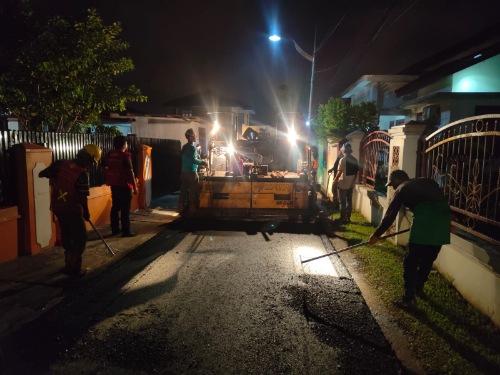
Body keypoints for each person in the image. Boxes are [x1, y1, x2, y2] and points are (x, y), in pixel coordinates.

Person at [368, 170, 451, 308]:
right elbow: (442, 201)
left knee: (411, 261)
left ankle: (409, 298)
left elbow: (390, 215)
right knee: (428, 258)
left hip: (424, 221)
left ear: (396, 181)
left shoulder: (402, 188)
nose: (393, 188)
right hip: (443, 222)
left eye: (393, 185)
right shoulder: (427, 181)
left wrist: (376, 235)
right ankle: (419, 289)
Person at [39, 144, 102, 276]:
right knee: (80, 239)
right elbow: (82, 197)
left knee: (67, 235)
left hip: (59, 207)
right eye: (91, 161)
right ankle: (74, 269)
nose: (90, 164)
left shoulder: (60, 164)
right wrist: (86, 212)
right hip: (73, 209)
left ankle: (68, 263)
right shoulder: (82, 174)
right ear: (88, 158)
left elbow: (42, 174)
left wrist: (57, 177)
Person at [105, 136, 138, 237]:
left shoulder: (110, 155)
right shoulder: (125, 156)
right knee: (125, 209)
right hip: (124, 185)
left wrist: (111, 173)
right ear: (124, 144)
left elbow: (103, 166)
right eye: (126, 143)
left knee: (115, 207)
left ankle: (115, 229)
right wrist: (135, 187)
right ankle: (126, 231)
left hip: (114, 185)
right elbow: (130, 172)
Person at [179, 128, 207, 216]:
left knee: (183, 191)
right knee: (193, 191)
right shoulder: (192, 148)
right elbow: (193, 160)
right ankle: (192, 210)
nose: (196, 136)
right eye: (194, 135)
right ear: (191, 137)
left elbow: (184, 158)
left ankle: (181, 209)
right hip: (191, 173)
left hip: (183, 173)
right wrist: (203, 162)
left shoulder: (184, 147)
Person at [332, 143, 359, 223]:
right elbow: (356, 173)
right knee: (349, 201)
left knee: (342, 202)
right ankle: (348, 218)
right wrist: (352, 182)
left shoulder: (343, 160)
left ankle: (343, 218)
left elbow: (339, 172)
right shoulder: (354, 160)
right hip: (350, 184)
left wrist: (335, 181)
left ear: (344, 151)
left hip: (343, 184)